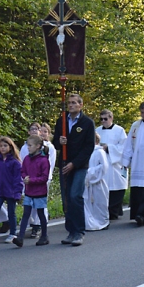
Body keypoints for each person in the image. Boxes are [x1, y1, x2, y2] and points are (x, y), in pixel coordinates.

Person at [53, 93, 95, 247]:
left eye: (74, 103)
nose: (70, 105)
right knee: (66, 198)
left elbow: (88, 147)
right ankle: (70, 231)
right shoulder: (61, 121)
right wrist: (59, 141)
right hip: (64, 164)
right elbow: (55, 142)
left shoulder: (87, 123)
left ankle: (79, 232)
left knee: (75, 195)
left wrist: (75, 163)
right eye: (69, 103)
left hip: (79, 165)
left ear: (80, 105)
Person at [13, 135, 51, 247]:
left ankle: (44, 236)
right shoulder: (27, 159)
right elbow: (23, 170)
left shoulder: (44, 161)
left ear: (38, 146)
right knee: (26, 213)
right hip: (29, 190)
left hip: (39, 191)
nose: (28, 148)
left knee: (40, 213)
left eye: (30, 145)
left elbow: (44, 177)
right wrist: (25, 177)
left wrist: (31, 180)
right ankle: (20, 237)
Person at [98, 110, 128, 220]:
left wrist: (109, 147)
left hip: (115, 163)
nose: (103, 121)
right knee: (104, 188)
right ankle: (106, 211)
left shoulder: (119, 130)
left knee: (117, 187)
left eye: (105, 119)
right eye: (101, 119)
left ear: (111, 118)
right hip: (102, 163)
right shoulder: (97, 131)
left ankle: (114, 211)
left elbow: (124, 147)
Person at [84, 133, 110, 231]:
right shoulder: (85, 151)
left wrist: (90, 173)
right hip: (87, 182)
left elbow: (104, 166)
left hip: (98, 182)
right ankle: (89, 222)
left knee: (100, 202)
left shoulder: (99, 152)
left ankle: (103, 222)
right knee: (87, 203)